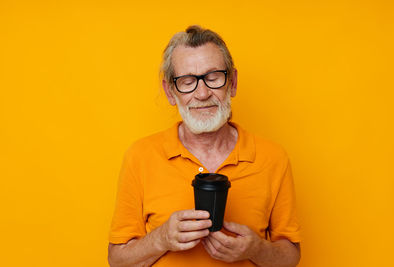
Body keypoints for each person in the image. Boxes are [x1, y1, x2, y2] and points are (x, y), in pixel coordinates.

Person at [108, 25, 301, 267]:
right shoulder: (140, 156)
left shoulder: (273, 158)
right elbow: (117, 261)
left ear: (232, 83)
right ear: (170, 92)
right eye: (187, 81)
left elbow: (290, 256)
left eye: (213, 78)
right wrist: (161, 239)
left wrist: (257, 249)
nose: (202, 93)